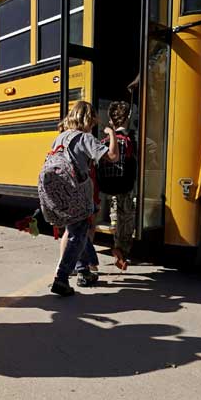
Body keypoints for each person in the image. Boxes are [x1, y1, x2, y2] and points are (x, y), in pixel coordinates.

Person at [48, 101, 118, 296]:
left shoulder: (60, 137)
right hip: (76, 193)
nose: (94, 125)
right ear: (88, 119)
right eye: (93, 122)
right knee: (79, 234)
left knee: (76, 230)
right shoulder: (85, 138)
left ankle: (84, 271)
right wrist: (111, 133)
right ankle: (61, 278)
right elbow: (113, 156)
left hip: (58, 192)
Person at [105, 101, 136, 271]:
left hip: (109, 186)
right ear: (128, 118)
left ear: (110, 120)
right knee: (127, 218)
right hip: (126, 185)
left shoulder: (106, 139)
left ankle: (118, 247)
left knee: (115, 216)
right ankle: (122, 249)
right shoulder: (131, 139)